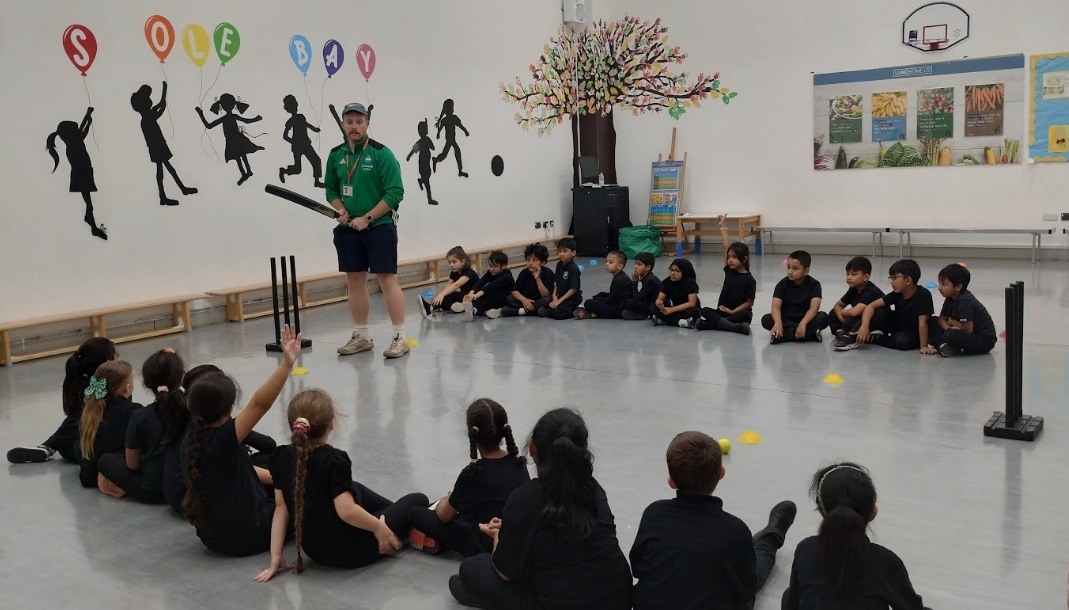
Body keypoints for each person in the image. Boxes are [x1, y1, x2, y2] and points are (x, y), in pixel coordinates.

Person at [450, 408, 632, 610]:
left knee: (473, 568)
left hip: (559, 603)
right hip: (616, 598)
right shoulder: (595, 490)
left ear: (532, 448)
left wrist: (498, 537)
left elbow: (504, 572)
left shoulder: (525, 498)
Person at [254, 389, 429, 581]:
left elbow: (281, 508)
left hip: (315, 551)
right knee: (418, 499)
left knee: (354, 487)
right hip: (353, 552)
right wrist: (379, 529)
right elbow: (346, 512)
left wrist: (276, 556)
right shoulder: (334, 460)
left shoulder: (280, 457)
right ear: (331, 423)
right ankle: (403, 527)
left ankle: (396, 522)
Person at [630, 431, 796, 610]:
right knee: (752, 568)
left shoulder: (654, 514)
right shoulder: (734, 529)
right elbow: (746, 589)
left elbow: (637, 567)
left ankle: (759, 542)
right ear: (722, 473)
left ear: (671, 481)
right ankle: (771, 537)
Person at [181, 325, 300, 557]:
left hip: (211, 536)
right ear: (228, 409)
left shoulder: (191, 439)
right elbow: (259, 404)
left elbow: (241, 470)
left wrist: (278, 477)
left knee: (271, 467)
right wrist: (286, 365)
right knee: (310, 493)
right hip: (248, 535)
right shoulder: (224, 437)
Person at [781, 462, 928, 610]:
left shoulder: (806, 550)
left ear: (822, 512)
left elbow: (792, 604)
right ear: (874, 512)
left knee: (789, 594)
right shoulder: (885, 561)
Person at [325, 102, 408, 358]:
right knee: (354, 280)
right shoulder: (336, 155)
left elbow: (395, 192)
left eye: (359, 122)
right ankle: (361, 336)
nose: (354, 126)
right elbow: (331, 190)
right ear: (343, 124)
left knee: (387, 280)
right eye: (349, 122)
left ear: (367, 124)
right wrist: (340, 209)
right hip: (348, 228)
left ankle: (399, 338)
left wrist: (368, 218)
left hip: (379, 227)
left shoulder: (382, 154)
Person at [407, 398, 531, 556]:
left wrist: (447, 499)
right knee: (459, 511)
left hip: (483, 540)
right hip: (512, 536)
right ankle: (436, 541)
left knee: (417, 513)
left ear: (472, 434)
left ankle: (433, 539)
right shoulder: (518, 463)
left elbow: (443, 516)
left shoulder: (473, 473)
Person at [7, 337, 117, 464]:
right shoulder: (103, 389)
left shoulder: (80, 381)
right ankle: (49, 446)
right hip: (84, 451)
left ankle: (48, 446)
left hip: (66, 445)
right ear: (106, 362)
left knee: (78, 418)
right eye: (116, 357)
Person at [97, 349, 185, 503]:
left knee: (105, 460)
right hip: (183, 487)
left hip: (152, 490)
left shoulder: (140, 416)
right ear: (180, 378)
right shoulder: (192, 410)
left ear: (146, 383)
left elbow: (132, 465)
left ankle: (114, 486)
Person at [76, 360, 140, 492]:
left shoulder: (89, 411)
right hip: (111, 468)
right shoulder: (132, 411)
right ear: (127, 388)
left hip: (88, 473)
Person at [46, 107, 107, 239]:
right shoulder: (74, 143)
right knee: (87, 198)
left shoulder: (73, 143)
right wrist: (88, 116)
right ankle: (91, 220)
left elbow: (82, 130)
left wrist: (88, 119)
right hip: (82, 169)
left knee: (88, 198)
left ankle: (91, 221)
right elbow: (82, 130)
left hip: (84, 168)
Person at [131, 82, 197, 205]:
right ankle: (169, 194)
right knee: (164, 170)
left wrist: (164, 94)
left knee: (166, 169)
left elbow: (160, 105)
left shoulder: (145, 117)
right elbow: (161, 107)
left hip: (156, 146)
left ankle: (177, 191)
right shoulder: (148, 117)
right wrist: (164, 92)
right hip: (157, 146)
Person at [854, 259, 936, 354]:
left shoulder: (923, 295)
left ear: (908, 280)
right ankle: (854, 334)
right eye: (891, 278)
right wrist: (864, 326)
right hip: (898, 326)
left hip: (913, 332)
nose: (892, 282)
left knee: (903, 341)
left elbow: (923, 323)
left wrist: (924, 346)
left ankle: (876, 339)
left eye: (895, 278)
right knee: (879, 312)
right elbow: (871, 306)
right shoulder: (896, 294)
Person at [695, 215, 755, 335]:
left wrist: (732, 312)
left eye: (734, 257)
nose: (730, 260)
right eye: (729, 257)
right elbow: (726, 246)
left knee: (746, 315)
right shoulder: (729, 271)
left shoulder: (750, 280)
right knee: (705, 310)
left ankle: (712, 325)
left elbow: (749, 303)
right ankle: (734, 327)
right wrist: (722, 225)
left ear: (744, 259)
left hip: (737, 313)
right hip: (722, 312)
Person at [194, 93, 264, 186]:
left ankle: (247, 171)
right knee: (240, 155)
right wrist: (200, 114)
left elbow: (209, 126)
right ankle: (246, 172)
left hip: (234, 138)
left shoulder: (228, 117)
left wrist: (201, 114)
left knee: (240, 155)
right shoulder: (230, 117)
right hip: (232, 139)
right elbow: (209, 126)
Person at [930, 263, 997, 357]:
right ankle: (945, 346)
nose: (939, 287)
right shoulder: (950, 297)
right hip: (963, 333)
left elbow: (968, 329)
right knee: (931, 321)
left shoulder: (964, 301)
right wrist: (949, 328)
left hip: (983, 341)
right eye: (940, 283)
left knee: (950, 335)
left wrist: (951, 322)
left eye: (944, 284)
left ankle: (946, 345)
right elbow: (941, 319)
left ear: (958, 287)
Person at [761, 250, 828, 343]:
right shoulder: (782, 284)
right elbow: (775, 307)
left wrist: (803, 323)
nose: (790, 272)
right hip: (786, 319)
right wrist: (778, 323)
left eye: (795, 269)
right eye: (788, 267)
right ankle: (808, 335)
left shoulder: (814, 285)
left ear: (806, 271)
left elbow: (814, 308)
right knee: (766, 319)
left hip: (806, 319)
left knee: (824, 317)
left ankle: (784, 336)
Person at [830, 257, 885, 352]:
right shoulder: (853, 289)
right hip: (858, 320)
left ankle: (850, 338)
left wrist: (842, 313)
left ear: (865, 277)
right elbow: (838, 305)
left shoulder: (871, 290)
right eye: (847, 274)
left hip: (872, 321)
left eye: (854, 274)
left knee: (877, 314)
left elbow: (855, 312)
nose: (849, 277)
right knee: (833, 313)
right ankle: (842, 332)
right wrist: (844, 320)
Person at [497, 243, 555, 318]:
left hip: (539, 300)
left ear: (543, 262)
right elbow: (514, 291)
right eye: (528, 260)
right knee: (509, 298)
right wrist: (524, 300)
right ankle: (534, 311)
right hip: (526, 301)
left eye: (534, 260)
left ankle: (521, 311)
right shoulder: (524, 272)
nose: (530, 263)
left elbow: (545, 295)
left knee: (547, 300)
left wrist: (537, 278)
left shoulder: (548, 273)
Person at [418, 246, 479, 317]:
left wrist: (442, 295)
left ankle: (432, 308)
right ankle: (452, 306)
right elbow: (448, 286)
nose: (451, 265)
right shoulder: (454, 272)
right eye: (449, 262)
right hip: (464, 295)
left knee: (452, 296)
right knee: (447, 295)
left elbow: (456, 285)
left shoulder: (469, 272)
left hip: (474, 297)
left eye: (454, 262)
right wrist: (440, 296)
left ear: (462, 261)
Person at [278, 94, 323, 188]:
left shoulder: (301, 117)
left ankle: (317, 181)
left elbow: (307, 125)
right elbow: (285, 136)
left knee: (316, 160)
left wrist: (315, 129)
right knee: (298, 169)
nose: (295, 107)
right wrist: (294, 142)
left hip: (305, 144)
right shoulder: (290, 121)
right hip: (297, 147)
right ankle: (284, 171)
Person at [575, 251, 631, 319]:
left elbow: (610, 301)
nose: (607, 264)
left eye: (610, 262)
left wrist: (599, 299)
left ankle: (593, 312)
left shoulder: (618, 280)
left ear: (619, 266)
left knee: (588, 302)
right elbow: (616, 295)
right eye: (606, 261)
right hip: (620, 306)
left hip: (617, 311)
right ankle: (594, 313)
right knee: (601, 295)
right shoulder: (622, 277)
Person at [539, 238, 583, 320]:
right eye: (559, 251)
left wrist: (559, 301)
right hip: (561, 296)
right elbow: (557, 282)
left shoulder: (573, 268)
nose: (561, 254)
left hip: (571, 299)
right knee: (546, 312)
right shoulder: (559, 264)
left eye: (565, 251)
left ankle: (576, 308)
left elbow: (573, 289)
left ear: (573, 253)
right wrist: (554, 295)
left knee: (557, 314)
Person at [464, 251, 515, 318]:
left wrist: (477, 295)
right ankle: (482, 311)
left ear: (503, 266)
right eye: (490, 266)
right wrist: (471, 293)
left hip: (505, 297)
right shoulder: (490, 273)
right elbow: (480, 282)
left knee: (487, 296)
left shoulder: (506, 276)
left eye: (495, 266)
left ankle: (477, 310)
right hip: (493, 294)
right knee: (480, 297)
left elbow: (492, 286)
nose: (491, 269)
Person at [653, 258, 701, 328]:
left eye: (677, 271)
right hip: (675, 310)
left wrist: (671, 310)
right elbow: (659, 299)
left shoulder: (690, 283)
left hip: (686, 309)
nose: (672, 273)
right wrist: (659, 304)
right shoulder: (668, 281)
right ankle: (681, 322)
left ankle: (665, 320)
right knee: (652, 307)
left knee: (694, 310)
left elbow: (691, 303)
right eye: (671, 270)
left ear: (684, 272)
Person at [622, 252, 662, 321]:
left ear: (648, 267)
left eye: (639, 264)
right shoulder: (647, 277)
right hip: (649, 303)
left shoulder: (650, 280)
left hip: (654, 306)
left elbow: (638, 298)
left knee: (628, 302)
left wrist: (635, 282)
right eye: (635, 264)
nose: (635, 266)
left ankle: (646, 314)